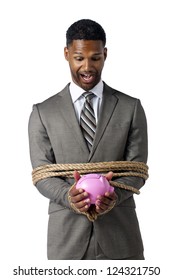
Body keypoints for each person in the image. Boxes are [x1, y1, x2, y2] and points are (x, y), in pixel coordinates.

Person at [28, 19, 148, 260]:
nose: (87, 67)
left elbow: (137, 169)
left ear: (105, 54)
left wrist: (113, 195)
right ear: (66, 54)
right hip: (66, 242)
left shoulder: (130, 107)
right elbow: (42, 173)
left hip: (121, 239)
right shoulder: (43, 112)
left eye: (95, 58)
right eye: (79, 58)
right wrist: (69, 197)